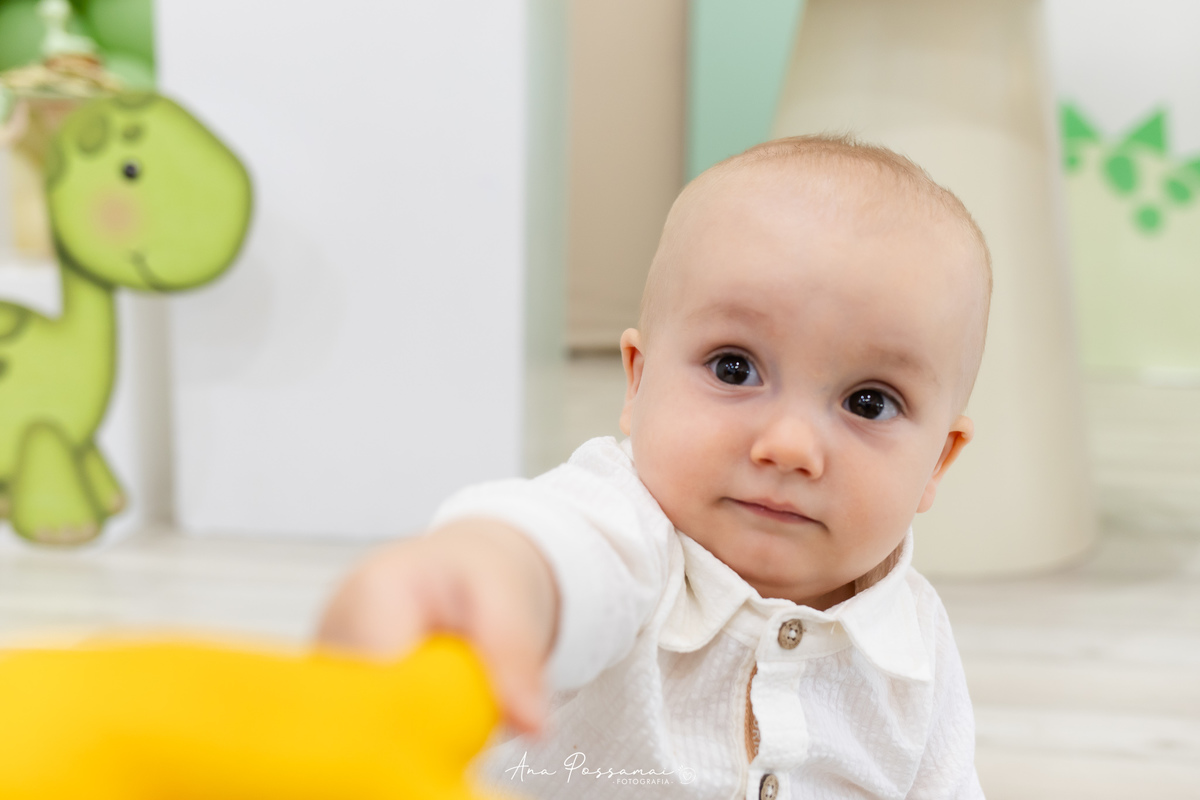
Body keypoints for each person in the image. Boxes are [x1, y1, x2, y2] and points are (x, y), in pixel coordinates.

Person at [318, 134, 991, 799]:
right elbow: (553, 552)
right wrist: (480, 569)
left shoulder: (916, 649)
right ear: (638, 382)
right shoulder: (628, 535)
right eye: (735, 368)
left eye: (869, 403)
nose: (790, 446)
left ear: (939, 460)